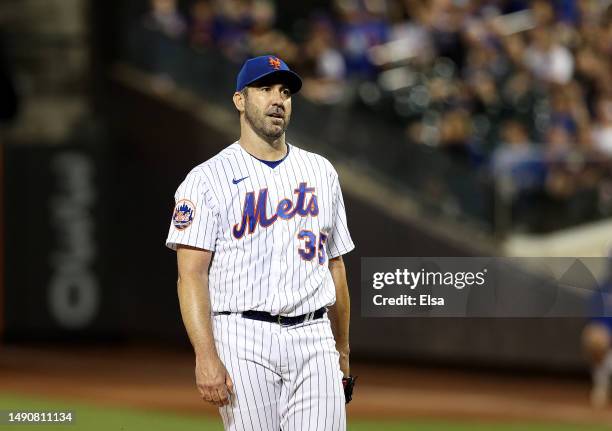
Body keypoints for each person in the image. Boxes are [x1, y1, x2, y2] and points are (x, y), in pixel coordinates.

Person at [166, 55, 355, 430]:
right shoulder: (206, 180)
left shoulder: (321, 172)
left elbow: (335, 265)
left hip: (315, 336)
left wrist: (343, 348)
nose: (277, 99)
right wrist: (206, 356)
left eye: (285, 91)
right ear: (240, 100)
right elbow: (191, 276)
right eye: (265, 89)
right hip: (243, 337)